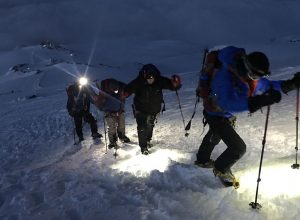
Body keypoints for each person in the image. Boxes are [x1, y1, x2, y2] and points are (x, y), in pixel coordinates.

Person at [194, 46, 300, 183]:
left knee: (215, 135)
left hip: (224, 115)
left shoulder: (246, 73)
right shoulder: (224, 76)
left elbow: (265, 85)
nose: (256, 79)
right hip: (216, 114)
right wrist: (255, 102)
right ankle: (221, 168)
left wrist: (290, 84)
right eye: (255, 75)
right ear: (248, 68)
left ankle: (202, 160)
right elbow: (226, 103)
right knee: (238, 148)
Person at [124, 64, 182, 155]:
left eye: (152, 79)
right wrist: (124, 93)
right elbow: (127, 89)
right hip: (140, 109)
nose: (150, 80)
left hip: (153, 109)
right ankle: (143, 148)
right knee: (142, 127)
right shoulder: (138, 82)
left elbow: (172, 86)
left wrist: (176, 83)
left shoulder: (160, 80)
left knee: (150, 126)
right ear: (144, 77)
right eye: (148, 79)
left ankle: (147, 140)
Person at [95, 78, 130, 149]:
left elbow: (124, 96)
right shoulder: (103, 92)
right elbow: (98, 104)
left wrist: (122, 107)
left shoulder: (120, 88)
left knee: (122, 125)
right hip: (109, 112)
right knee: (111, 128)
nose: (116, 92)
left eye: (117, 90)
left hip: (120, 110)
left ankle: (122, 136)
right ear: (110, 88)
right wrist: (102, 106)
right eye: (114, 91)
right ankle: (113, 141)